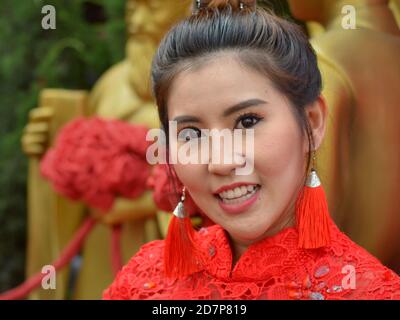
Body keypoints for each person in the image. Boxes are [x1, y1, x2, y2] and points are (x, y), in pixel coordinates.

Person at [103, 0, 400, 300]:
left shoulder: (366, 292)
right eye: (191, 134)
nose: (221, 161)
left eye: (247, 122)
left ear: (312, 122)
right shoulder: (142, 280)